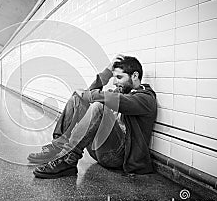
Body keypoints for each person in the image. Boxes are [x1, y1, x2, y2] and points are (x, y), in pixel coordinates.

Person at [28, 55, 157, 179]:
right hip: (99, 150)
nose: (115, 82)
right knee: (76, 100)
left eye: (119, 77)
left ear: (135, 75)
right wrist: (107, 72)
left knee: (98, 106)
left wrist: (87, 94)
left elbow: (115, 100)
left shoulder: (145, 98)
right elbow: (88, 95)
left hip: (119, 157)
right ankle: (58, 149)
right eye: (114, 77)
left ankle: (68, 160)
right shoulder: (120, 91)